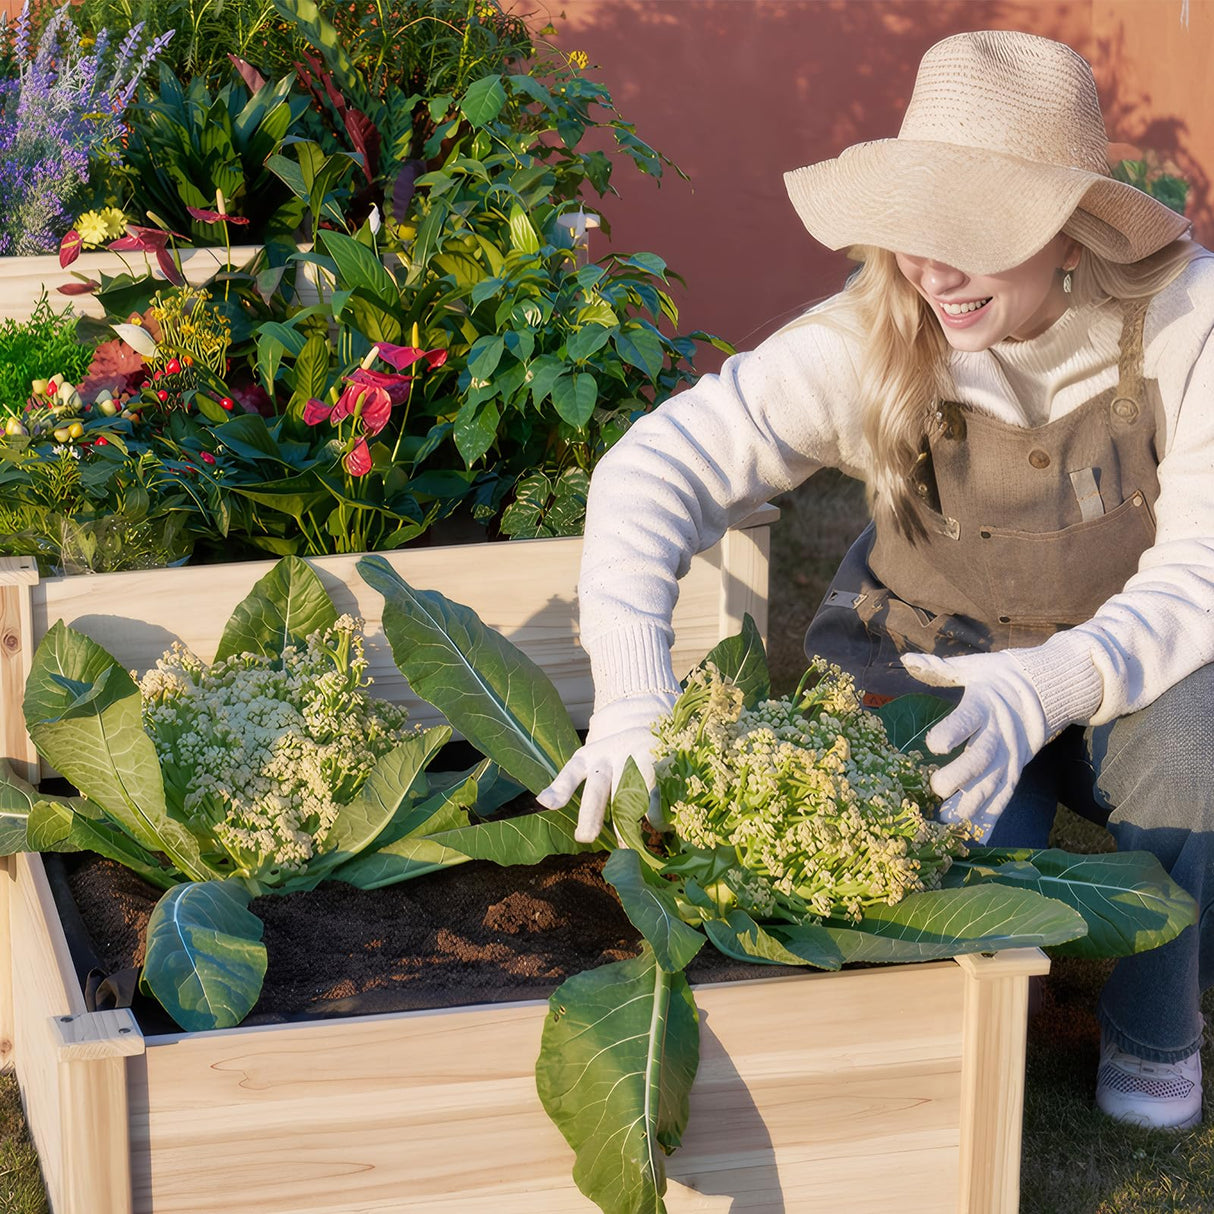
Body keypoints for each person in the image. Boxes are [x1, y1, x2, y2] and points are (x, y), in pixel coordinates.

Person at [536, 29, 1214, 1131]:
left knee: (1197, 749)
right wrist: (630, 697)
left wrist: (1044, 685)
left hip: (1120, 665)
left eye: (972, 236)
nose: (931, 271)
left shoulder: (1187, 322)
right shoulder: (876, 330)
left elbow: (1199, 572)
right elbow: (651, 467)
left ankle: (1150, 1030)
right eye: (914, 232)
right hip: (924, 654)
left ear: (1065, 226)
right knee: (932, 894)